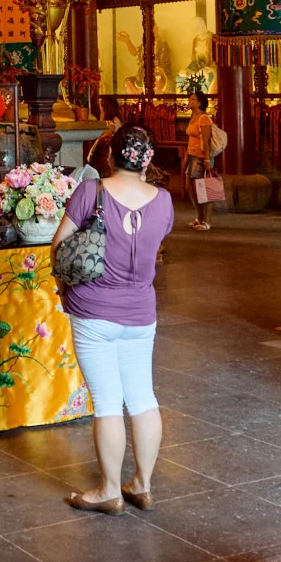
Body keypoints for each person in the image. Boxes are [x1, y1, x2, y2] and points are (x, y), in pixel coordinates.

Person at [51, 123, 174, 514]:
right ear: (149, 159)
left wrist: (63, 286)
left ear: (109, 154)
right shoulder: (165, 202)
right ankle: (142, 484)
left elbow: (59, 247)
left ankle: (108, 490)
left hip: (93, 311)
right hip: (141, 313)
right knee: (142, 397)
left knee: (107, 403)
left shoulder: (92, 191)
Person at [181, 90, 216, 230]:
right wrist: (186, 156)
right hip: (192, 155)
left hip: (202, 157)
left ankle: (207, 221)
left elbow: (206, 140)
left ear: (200, 103)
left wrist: (207, 160)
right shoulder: (193, 117)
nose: (190, 102)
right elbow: (191, 139)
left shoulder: (204, 118)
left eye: (193, 99)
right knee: (190, 187)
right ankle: (199, 216)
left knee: (203, 188)